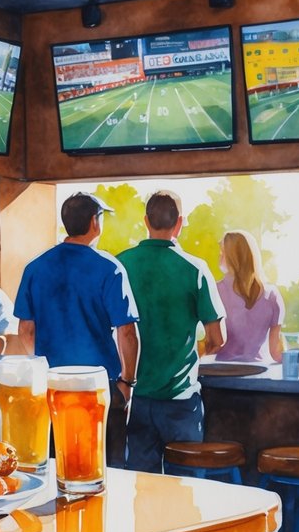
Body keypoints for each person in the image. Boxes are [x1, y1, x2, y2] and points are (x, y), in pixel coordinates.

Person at [15, 192, 139, 464]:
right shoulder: (110, 268)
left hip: (53, 387)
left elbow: (25, 330)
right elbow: (127, 332)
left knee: (57, 464)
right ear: (95, 223)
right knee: (107, 469)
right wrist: (127, 382)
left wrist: (43, 368)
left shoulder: (35, 268)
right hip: (98, 387)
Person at [116, 191, 225, 473]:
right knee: (187, 491)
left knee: (141, 490)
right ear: (180, 223)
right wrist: (195, 351)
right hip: (181, 401)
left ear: (145, 221)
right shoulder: (195, 269)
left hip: (135, 399)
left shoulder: (121, 265)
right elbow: (217, 338)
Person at [215, 230, 286, 363]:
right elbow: (276, 353)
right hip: (258, 374)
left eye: (222, 253)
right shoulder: (272, 295)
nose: (219, 257)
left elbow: (213, 342)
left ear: (230, 257)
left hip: (223, 372)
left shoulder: (215, 291)